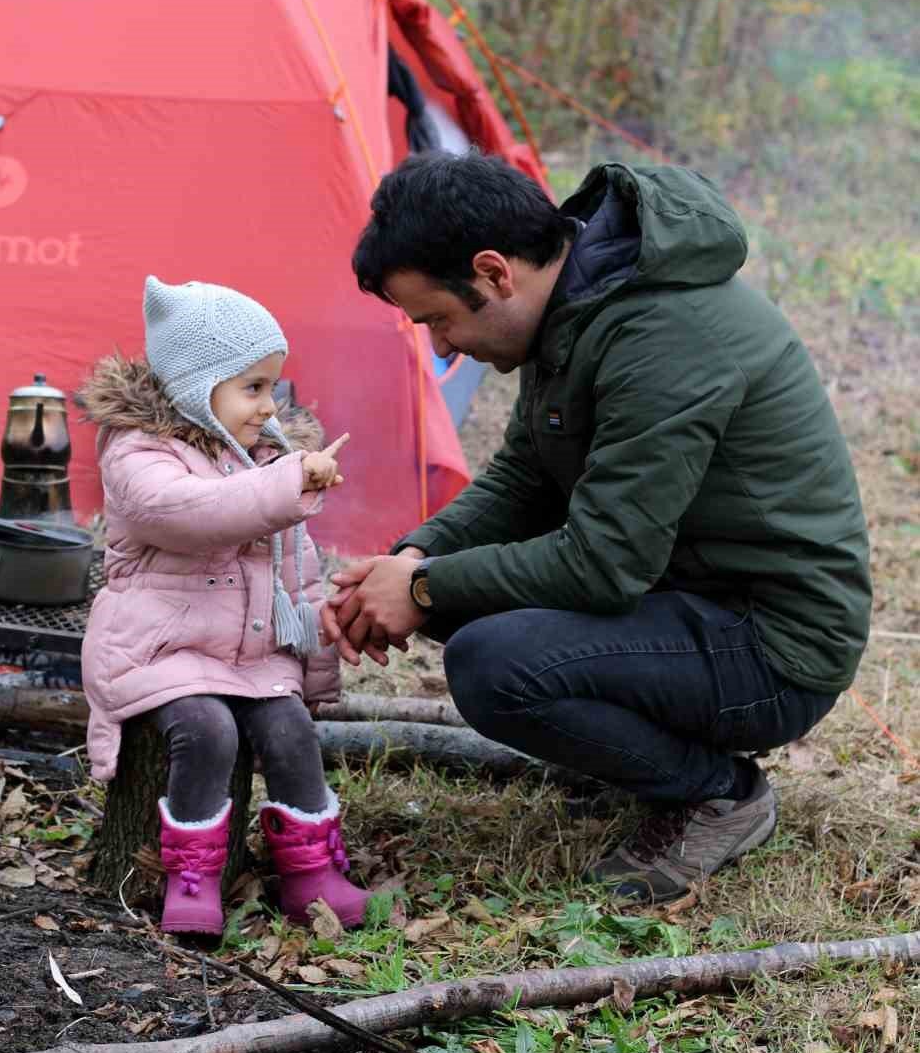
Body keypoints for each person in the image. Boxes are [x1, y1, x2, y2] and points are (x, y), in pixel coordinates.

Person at [325, 153, 871, 904]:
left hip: (773, 647)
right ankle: (643, 752)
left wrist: (423, 585)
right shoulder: (582, 306)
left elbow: (605, 564)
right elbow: (522, 479)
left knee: (493, 662)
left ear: (493, 273)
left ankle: (720, 793)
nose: (443, 348)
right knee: (452, 599)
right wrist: (413, 560)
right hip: (692, 597)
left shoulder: (660, 335)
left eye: (439, 320)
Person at [80, 277, 368, 936]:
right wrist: (287, 480)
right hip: (164, 650)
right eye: (252, 388)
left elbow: (298, 570)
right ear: (194, 384)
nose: (269, 407)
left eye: (274, 388)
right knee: (207, 730)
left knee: (291, 731)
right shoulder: (138, 452)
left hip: (249, 651)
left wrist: (316, 667)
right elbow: (192, 513)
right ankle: (191, 873)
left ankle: (311, 872)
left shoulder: (267, 456)